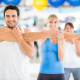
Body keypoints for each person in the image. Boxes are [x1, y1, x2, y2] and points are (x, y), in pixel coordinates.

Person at [37, 14, 65, 80]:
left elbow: (60, 58)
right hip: (44, 72)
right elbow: (42, 31)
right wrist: (54, 33)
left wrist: (59, 39)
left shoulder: (61, 38)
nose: (53, 24)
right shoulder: (43, 34)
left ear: (58, 24)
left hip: (59, 73)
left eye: (55, 22)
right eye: (50, 22)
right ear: (47, 23)